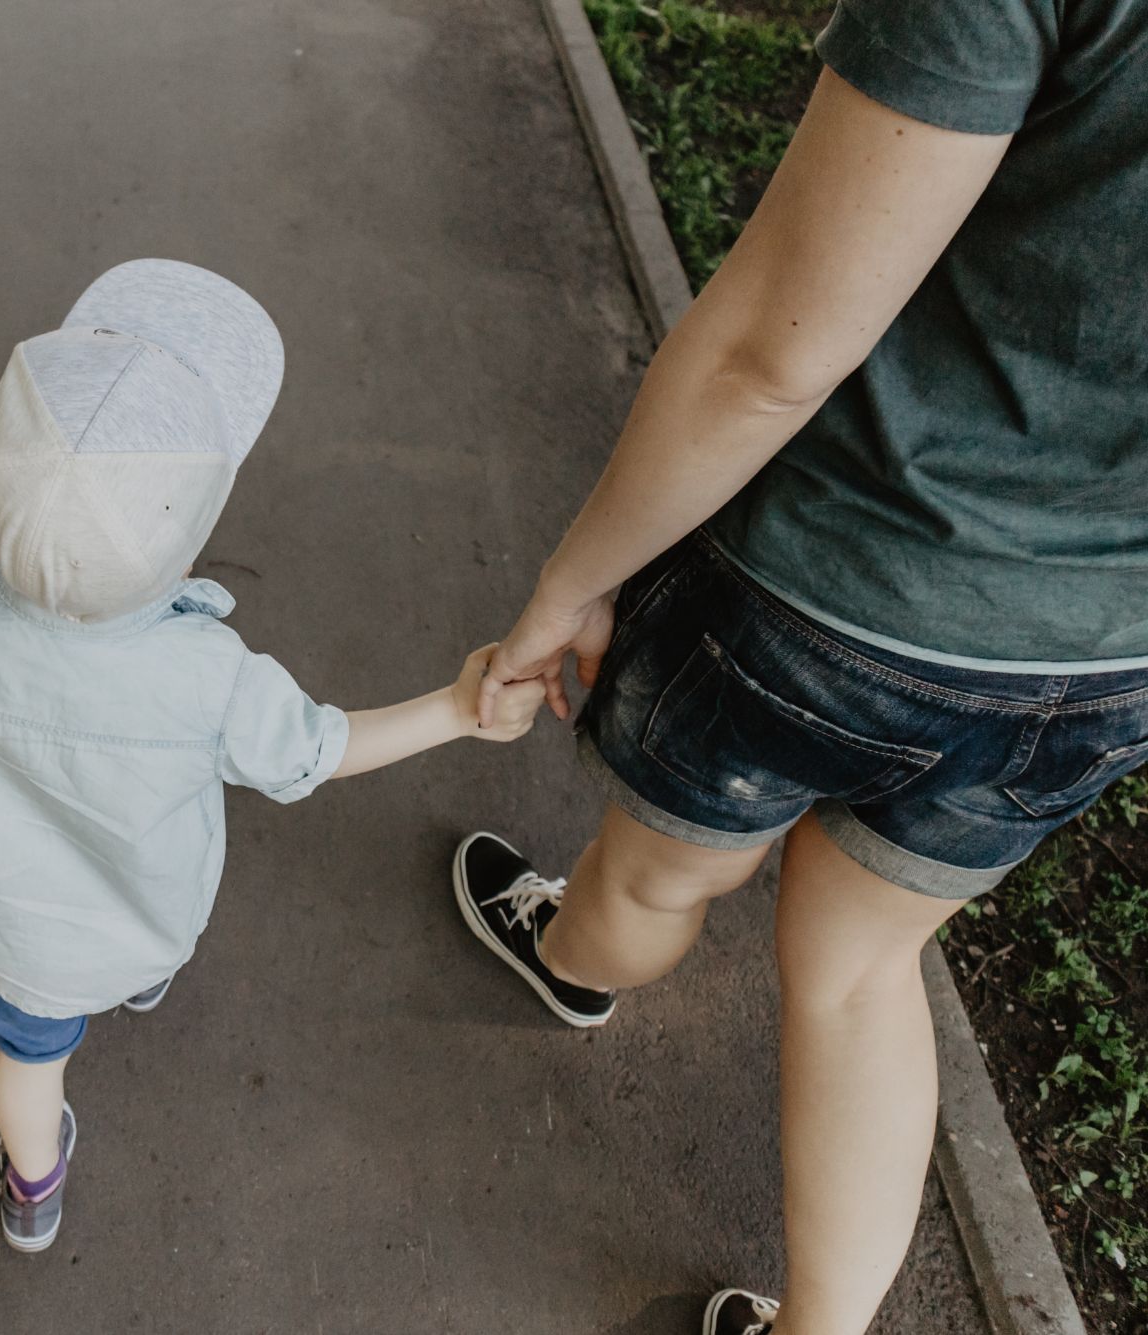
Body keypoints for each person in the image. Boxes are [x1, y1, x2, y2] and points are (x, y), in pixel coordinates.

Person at [455, 0, 1148, 1332]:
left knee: (669, 865)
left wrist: (574, 580)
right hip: (1108, 655)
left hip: (844, 585)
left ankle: (572, 954)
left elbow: (776, 345)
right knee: (861, 968)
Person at [0, 259, 548, 1252]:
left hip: (1, 935)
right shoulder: (209, 677)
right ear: (191, 531)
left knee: (28, 1069)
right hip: (144, 920)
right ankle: (137, 981)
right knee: (134, 953)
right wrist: (458, 708)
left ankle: (33, 1190)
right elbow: (322, 749)